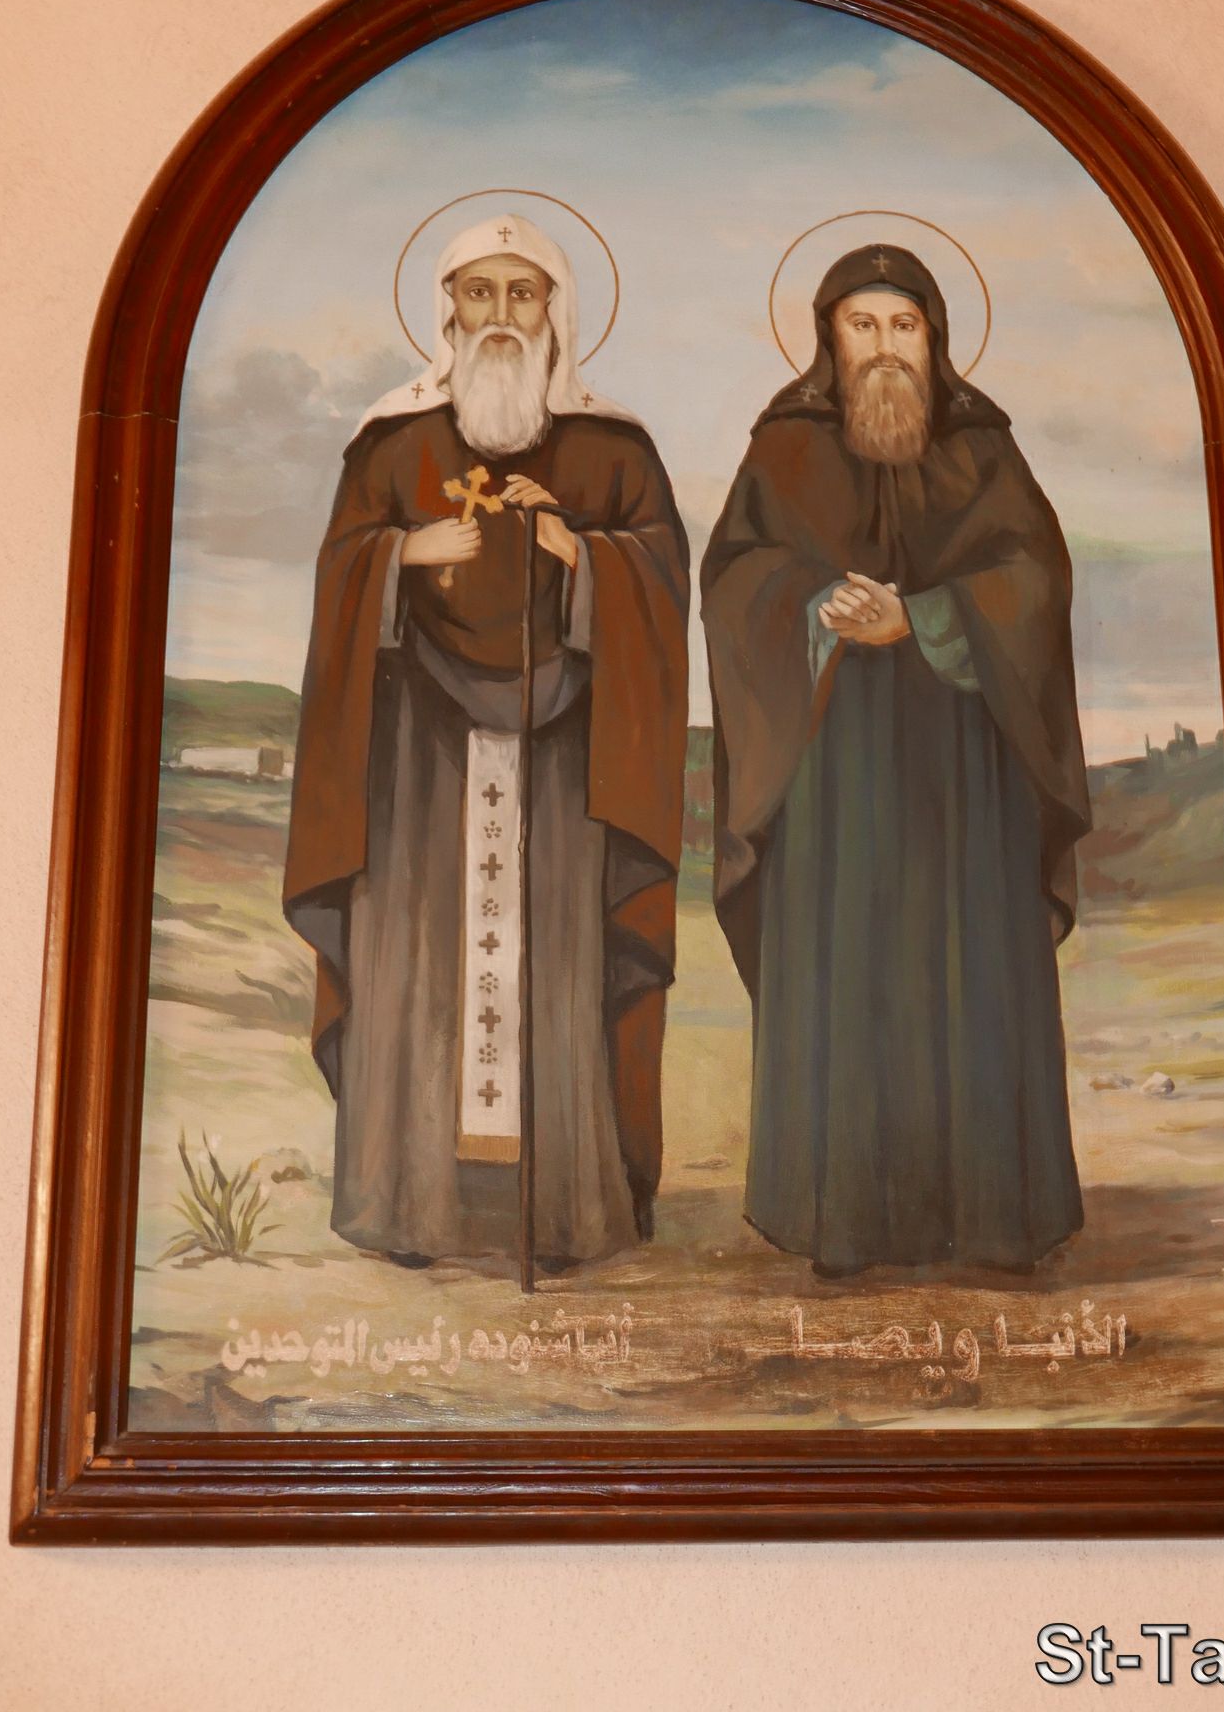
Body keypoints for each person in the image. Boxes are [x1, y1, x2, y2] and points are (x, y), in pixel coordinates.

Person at [284, 213, 688, 1271]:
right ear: (447, 310)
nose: (500, 315)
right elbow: (339, 575)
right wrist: (399, 553)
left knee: (557, 966)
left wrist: (586, 555)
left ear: (556, 309)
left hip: (563, 761)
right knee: (416, 965)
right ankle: (410, 1205)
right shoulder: (392, 443)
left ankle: (559, 1211)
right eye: (479, 293)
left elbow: (662, 577)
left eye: (522, 293)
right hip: (418, 756)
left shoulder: (613, 449)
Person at [701, 243, 1089, 1275]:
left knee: (972, 973)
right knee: (848, 975)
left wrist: (924, 618)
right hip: (834, 770)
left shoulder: (983, 447)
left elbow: (1035, 578)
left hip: (966, 768)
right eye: (862, 324)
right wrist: (815, 607)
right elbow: (734, 578)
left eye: (903, 326)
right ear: (828, 338)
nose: (883, 347)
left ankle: (995, 1219)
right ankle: (844, 1222)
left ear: (934, 338)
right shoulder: (783, 449)